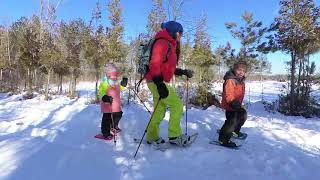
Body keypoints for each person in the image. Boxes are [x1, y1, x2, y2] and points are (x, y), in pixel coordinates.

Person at [145, 21, 193, 146]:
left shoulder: (169, 44)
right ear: (174, 31)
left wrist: (182, 71)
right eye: (179, 33)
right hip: (157, 81)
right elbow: (154, 64)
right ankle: (174, 135)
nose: (180, 36)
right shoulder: (162, 42)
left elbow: (166, 67)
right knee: (177, 105)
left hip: (156, 80)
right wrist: (160, 84)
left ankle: (152, 136)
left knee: (159, 111)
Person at [218, 61, 248, 148]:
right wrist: (232, 102)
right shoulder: (230, 80)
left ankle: (235, 131)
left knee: (243, 115)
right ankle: (223, 140)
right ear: (235, 69)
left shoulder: (240, 80)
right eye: (239, 70)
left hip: (237, 104)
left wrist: (238, 103)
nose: (241, 72)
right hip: (230, 104)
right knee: (231, 122)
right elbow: (228, 94)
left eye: (243, 71)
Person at [98, 63, 128, 140]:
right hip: (108, 103)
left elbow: (119, 89)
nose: (114, 73)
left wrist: (123, 84)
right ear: (108, 72)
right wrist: (104, 97)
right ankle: (105, 133)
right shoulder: (105, 81)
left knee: (118, 114)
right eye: (112, 71)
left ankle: (114, 127)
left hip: (116, 103)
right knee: (107, 118)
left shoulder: (116, 81)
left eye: (115, 71)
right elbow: (101, 91)